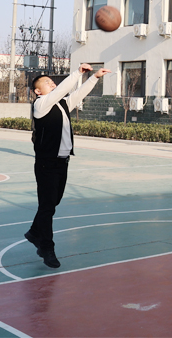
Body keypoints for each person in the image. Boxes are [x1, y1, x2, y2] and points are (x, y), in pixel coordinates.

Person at [24, 63, 110, 268]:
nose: (52, 84)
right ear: (38, 91)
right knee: (47, 207)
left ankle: (34, 232)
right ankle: (46, 248)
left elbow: (78, 94)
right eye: (47, 82)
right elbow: (62, 90)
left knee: (53, 203)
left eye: (52, 81)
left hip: (62, 162)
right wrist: (77, 73)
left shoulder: (61, 104)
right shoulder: (40, 105)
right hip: (46, 164)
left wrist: (94, 78)